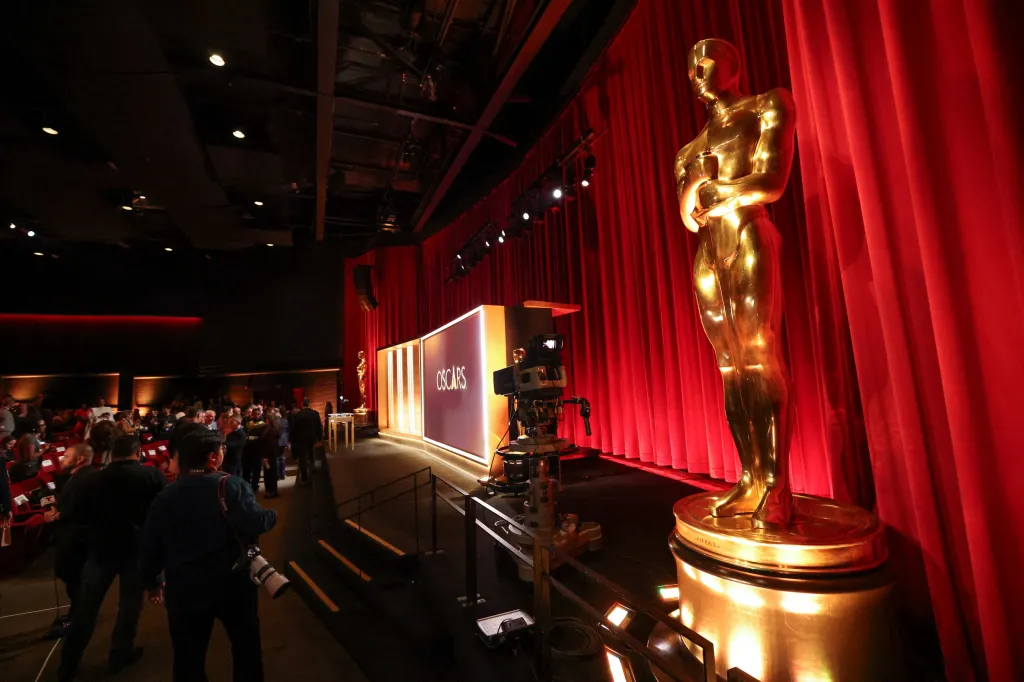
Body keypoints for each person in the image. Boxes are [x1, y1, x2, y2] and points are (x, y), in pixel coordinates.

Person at [141, 429, 277, 682]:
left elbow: (151, 545)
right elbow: (256, 522)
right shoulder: (231, 485)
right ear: (213, 457)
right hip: (233, 585)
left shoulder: (164, 497)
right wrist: (272, 515)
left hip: (185, 590)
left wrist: (152, 583)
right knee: (246, 648)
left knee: (188, 657)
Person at [58, 435, 167, 681]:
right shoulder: (152, 476)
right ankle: (120, 655)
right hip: (137, 551)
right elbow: (160, 519)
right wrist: (157, 568)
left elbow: (79, 518)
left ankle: (68, 663)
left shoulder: (93, 479)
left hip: (100, 550)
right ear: (137, 452)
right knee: (129, 606)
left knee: (86, 609)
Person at [53, 444, 100, 623]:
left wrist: (57, 515)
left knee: (75, 579)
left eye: (66, 456)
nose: (62, 459)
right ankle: (78, 613)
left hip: (77, 539)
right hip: (77, 536)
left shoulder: (84, 478)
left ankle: (80, 617)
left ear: (79, 459)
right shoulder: (84, 475)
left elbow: (76, 509)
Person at [289, 398, 322, 485]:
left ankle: (304, 477)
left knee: (303, 458)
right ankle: (312, 467)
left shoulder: (297, 415)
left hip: (301, 439)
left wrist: (292, 441)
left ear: (301, 404)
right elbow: (319, 426)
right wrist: (320, 438)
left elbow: (293, 429)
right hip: (312, 437)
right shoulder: (315, 413)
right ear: (309, 404)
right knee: (311, 452)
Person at [259, 415, 283, 499]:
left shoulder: (269, 432)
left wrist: (264, 456)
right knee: (273, 473)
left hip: (268, 454)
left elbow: (268, 445)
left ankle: (269, 491)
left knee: (268, 474)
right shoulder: (277, 430)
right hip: (274, 454)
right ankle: (274, 491)